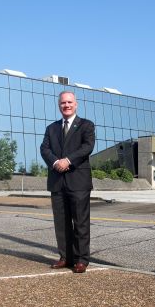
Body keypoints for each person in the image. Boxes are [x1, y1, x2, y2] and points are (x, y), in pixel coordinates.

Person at [40, 90, 95, 273]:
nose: (66, 105)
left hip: (78, 181)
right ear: (59, 105)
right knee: (61, 224)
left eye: (70, 102)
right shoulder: (51, 128)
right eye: (63, 103)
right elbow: (44, 148)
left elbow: (87, 147)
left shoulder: (86, 125)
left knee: (80, 222)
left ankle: (81, 260)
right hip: (57, 182)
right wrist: (56, 162)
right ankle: (65, 257)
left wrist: (68, 160)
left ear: (76, 104)